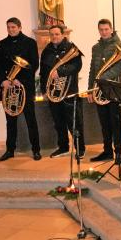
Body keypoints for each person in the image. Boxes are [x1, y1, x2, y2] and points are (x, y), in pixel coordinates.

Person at [0, 17, 41, 162]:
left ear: (20, 27)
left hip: (25, 86)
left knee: (30, 119)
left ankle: (36, 150)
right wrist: (4, 81)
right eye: (8, 27)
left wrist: (19, 80)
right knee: (10, 120)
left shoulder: (30, 43)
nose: (11, 29)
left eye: (13, 27)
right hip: (8, 87)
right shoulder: (1, 44)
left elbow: (34, 64)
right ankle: (10, 150)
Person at [39, 24, 83, 159]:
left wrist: (60, 71)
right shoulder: (47, 50)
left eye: (57, 34)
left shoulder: (72, 48)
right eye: (52, 34)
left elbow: (77, 66)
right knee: (58, 122)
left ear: (63, 35)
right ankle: (63, 147)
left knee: (74, 122)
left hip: (69, 91)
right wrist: (44, 90)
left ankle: (80, 149)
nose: (54, 37)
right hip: (53, 92)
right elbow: (43, 73)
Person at [87, 19, 121, 163]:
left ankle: (119, 152)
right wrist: (90, 89)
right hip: (98, 90)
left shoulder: (119, 46)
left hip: (113, 89)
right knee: (104, 123)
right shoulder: (95, 47)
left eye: (106, 29)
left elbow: (120, 66)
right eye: (101, 30)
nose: (103, 32)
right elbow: (92, 70)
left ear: (111, 29)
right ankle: (107, 151)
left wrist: (103, 77)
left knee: (115, 122)